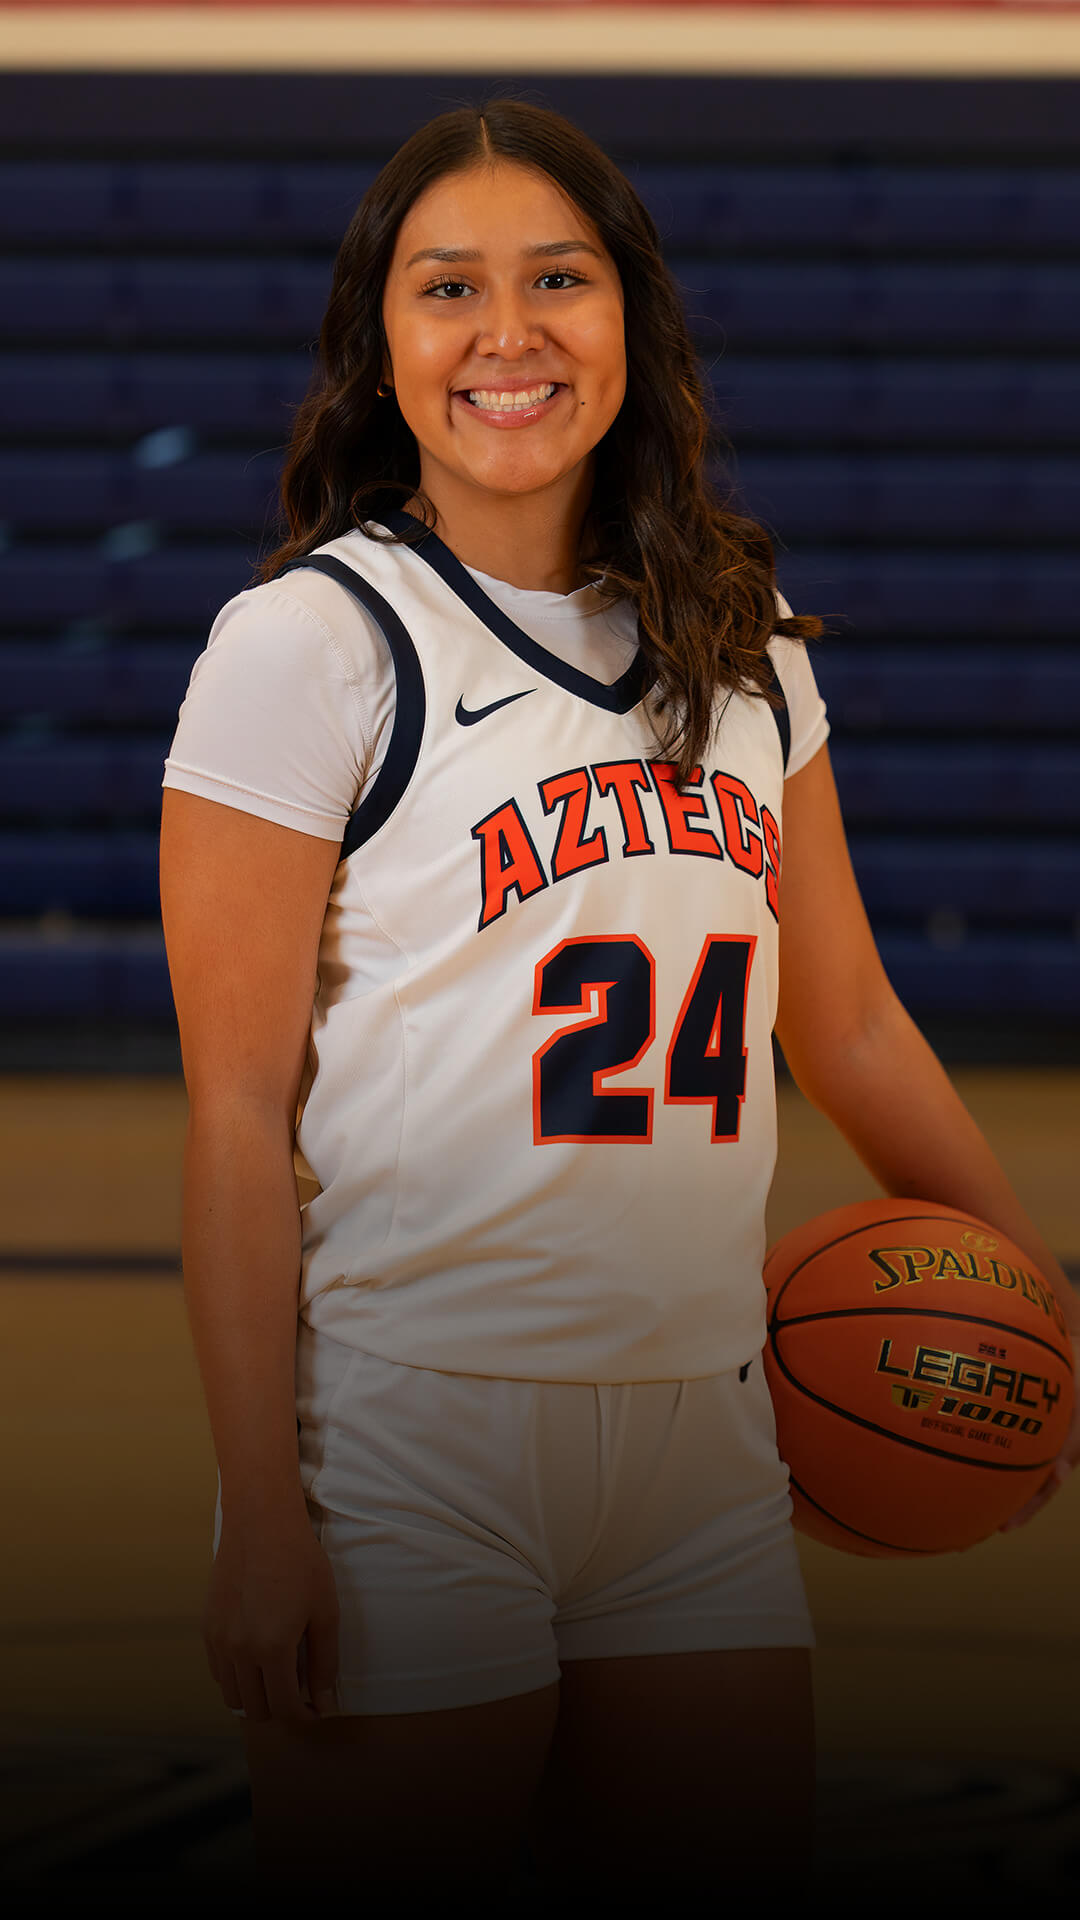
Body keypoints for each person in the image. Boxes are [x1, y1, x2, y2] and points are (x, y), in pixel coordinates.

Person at [158, 99, 1079, 1905]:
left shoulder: (746, 636)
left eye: (557, 280)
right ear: (383, 349)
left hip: (703, 1437)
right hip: (410, 1436)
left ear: (631, 323)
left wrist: (1029, 1308)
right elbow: (231, 1114)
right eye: (450, 290)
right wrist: (263, 1514)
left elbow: (860, 1024)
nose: (509, 334)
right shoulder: (309, 650)